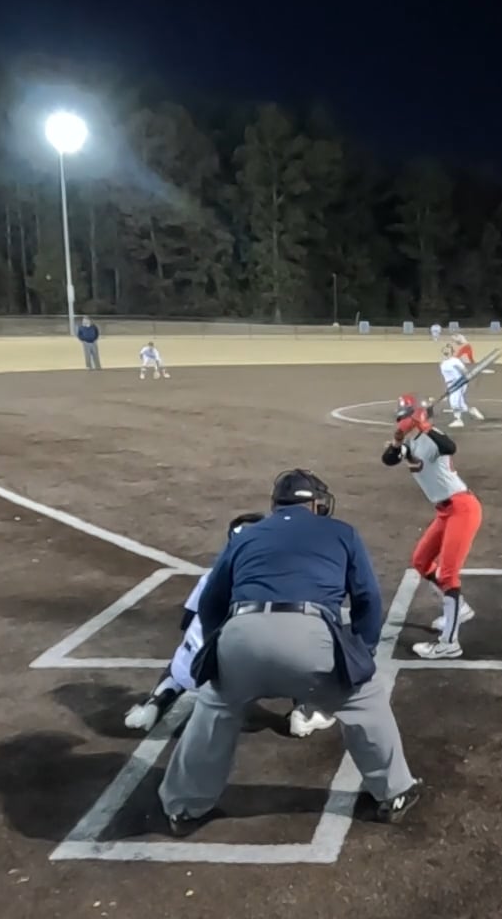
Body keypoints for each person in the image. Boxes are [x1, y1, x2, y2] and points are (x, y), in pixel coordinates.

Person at [159, 469, 421, 832]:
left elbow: (210, 602)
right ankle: (394, 793)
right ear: (316, 504)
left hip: (242, 633)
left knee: (215, 707)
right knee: (363, 700)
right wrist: (362, 652)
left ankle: (184, 807)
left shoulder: (247, 536)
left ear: (276, 504)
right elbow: (368, 599)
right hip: (310, 636)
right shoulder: (341, 532)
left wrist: (226, 644)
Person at [123, 514, 335, 738]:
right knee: (310, 649)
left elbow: (188, 620)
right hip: (270, 671)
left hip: (204, 671)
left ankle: (156, 700)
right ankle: (304, 712)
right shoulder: (286, 578)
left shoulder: (212, 576)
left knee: (186, 655)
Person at [384, 395, 484, 659]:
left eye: (404, 418)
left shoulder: (432, 436)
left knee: (448, 575)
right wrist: (397, 440)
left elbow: (450, 446)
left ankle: (449, 643)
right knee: (421, 561)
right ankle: (461, 608)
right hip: (444, 512)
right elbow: (389, 459)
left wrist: (424, 425)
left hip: (462, 509)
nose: (401, 422)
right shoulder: (411, 443)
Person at [438, 345, 483, 427]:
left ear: (452, 352)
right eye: (445, 349)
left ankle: (458, 420)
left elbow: (464, 371)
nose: (446, 351)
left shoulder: (455, 361)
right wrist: (447, 390)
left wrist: (469, 379)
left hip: (458, 383)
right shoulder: (443, 363)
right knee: (461, 404)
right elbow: (446, 377)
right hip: (451, 384)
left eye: (448, 350)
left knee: (454, 401)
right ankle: (472, 410)